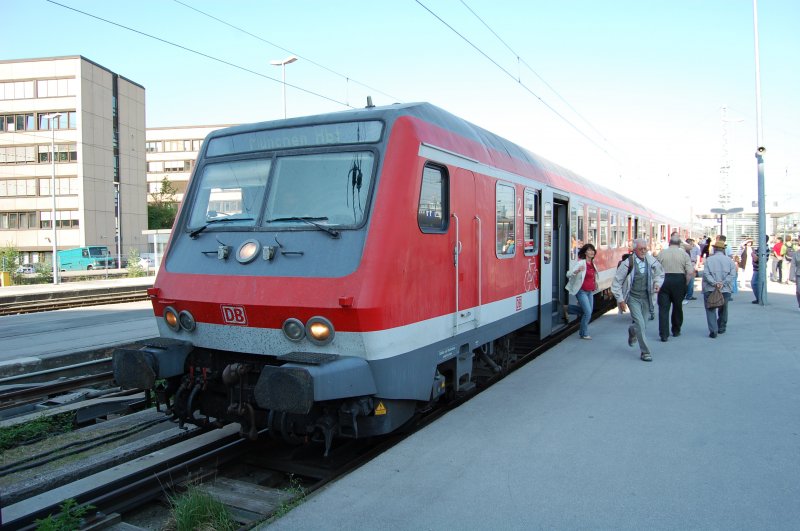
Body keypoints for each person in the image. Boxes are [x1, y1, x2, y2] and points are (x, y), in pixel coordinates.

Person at [611, 238, 665, 362]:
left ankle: (632, 330)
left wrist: (657, 283)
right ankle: (645, 352)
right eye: (641, 249)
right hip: (633, 297)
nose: (643, 251)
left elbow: (660, 274)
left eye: (645, 249)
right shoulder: (627, 263)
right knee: (640, 324)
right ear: (634, 250)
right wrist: (620, 299)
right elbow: (617, 282)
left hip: (647, 297)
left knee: (643, 325)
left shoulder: (651, 261)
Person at [655, 234, 694, 340]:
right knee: (677, 307)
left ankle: (664, 334)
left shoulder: (662, 253)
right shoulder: (684, 255)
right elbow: (690, 272)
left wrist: (657, 282)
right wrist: (685, 283)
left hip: (664, 280)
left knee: (663, 308)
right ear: (679, 244)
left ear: (669, 243)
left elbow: (655, 269)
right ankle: (676, 330)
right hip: (679, 280)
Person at [702, 238, 736, 338]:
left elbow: (706, 274)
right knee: (723, 308)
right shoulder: (729, 261)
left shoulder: (709, 260)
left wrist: (714, 283)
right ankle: (721, 327)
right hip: (725, 289)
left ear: (715, 249)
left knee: (710, 308)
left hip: (710, 289)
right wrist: (722, 283)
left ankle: (713, 330)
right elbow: (732, 274)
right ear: (723, 249)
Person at [566, 243, 598, 339]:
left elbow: (592, 276)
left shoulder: (592, 264)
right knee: (588, 312)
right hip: (581, 291)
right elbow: (568, 274)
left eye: (593, 250)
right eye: (589, 250)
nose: (592, 252)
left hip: (590, 291)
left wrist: (595, 282)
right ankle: (583, 333)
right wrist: (576, 271)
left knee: (588, 311)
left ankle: (567, 309)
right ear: (585, 252)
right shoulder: (581, 263)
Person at [684, 238, 701, 303]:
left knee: (691, 280)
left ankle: (689, 295)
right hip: (686, 264)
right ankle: (686, 294)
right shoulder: (684, 249)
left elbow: (698, 256)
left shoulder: (696, 248)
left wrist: (697, 265)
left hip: (692, 264)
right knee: (687, 280)